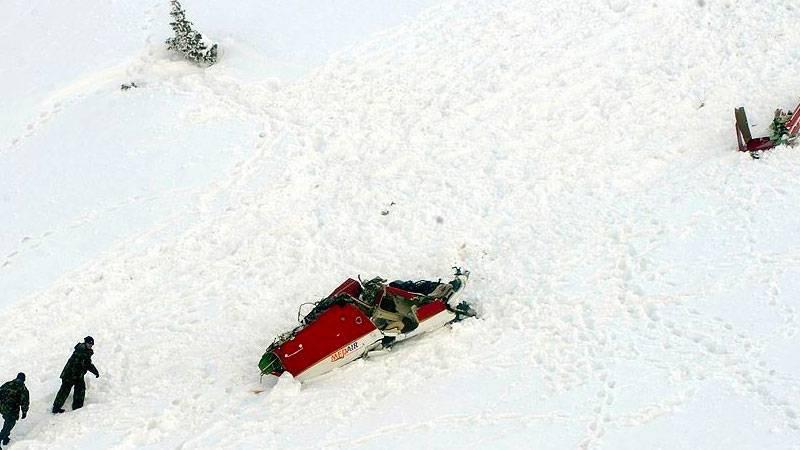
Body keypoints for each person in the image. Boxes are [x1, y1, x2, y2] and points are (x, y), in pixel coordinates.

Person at [52, 336, 100, 414]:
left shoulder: (85, 351)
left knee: (80, 389)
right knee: (64, 391)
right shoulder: (81, 351)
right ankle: (56, 407)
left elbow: (88, 364)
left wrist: (95, 372)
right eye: (89, 344)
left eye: (92, 344)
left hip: (77, 375)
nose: (90, 346)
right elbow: (75, 364)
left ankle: (77, 407)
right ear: (86, 342)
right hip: (70, 375)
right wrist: (75, 376)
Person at [0, 372, 29, 447]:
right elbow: (25, 401)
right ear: (24, 379)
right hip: (12, 410)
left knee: (7, 422)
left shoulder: (8, 384)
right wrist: (24, 412)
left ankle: (5, 438)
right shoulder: (23, 388)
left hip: (2, 408)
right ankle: (1, 437)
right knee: (10, 424)